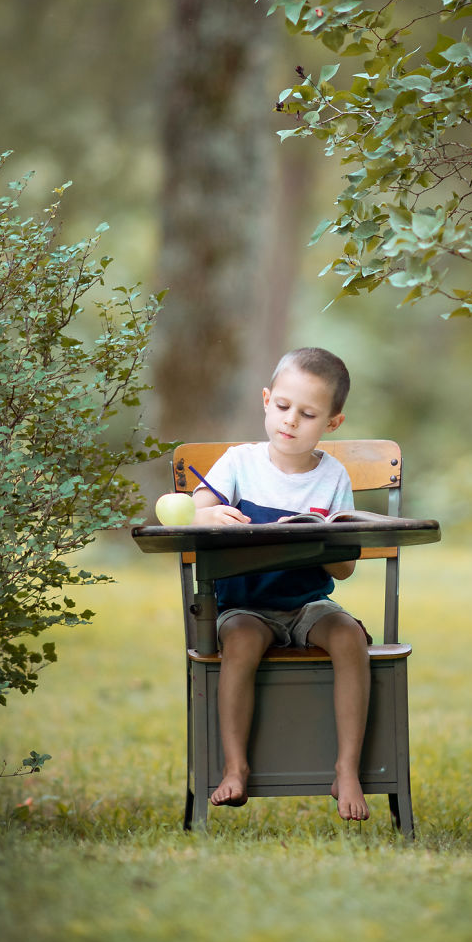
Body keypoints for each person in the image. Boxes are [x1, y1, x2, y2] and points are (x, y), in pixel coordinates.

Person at [192, 346, 372, 821]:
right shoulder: (239, 463)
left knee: (349, 636)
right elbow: (193, 513)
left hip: (308, 604)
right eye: (283, 406)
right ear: (266, 401)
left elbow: (345, 569)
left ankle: (346, 769)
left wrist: (325, 543)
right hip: (245, 606)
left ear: (332, 422)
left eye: (308, 414)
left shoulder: (332, 476)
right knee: (240, 641)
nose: (291, 420)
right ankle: (235, 767)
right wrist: (211, 514)